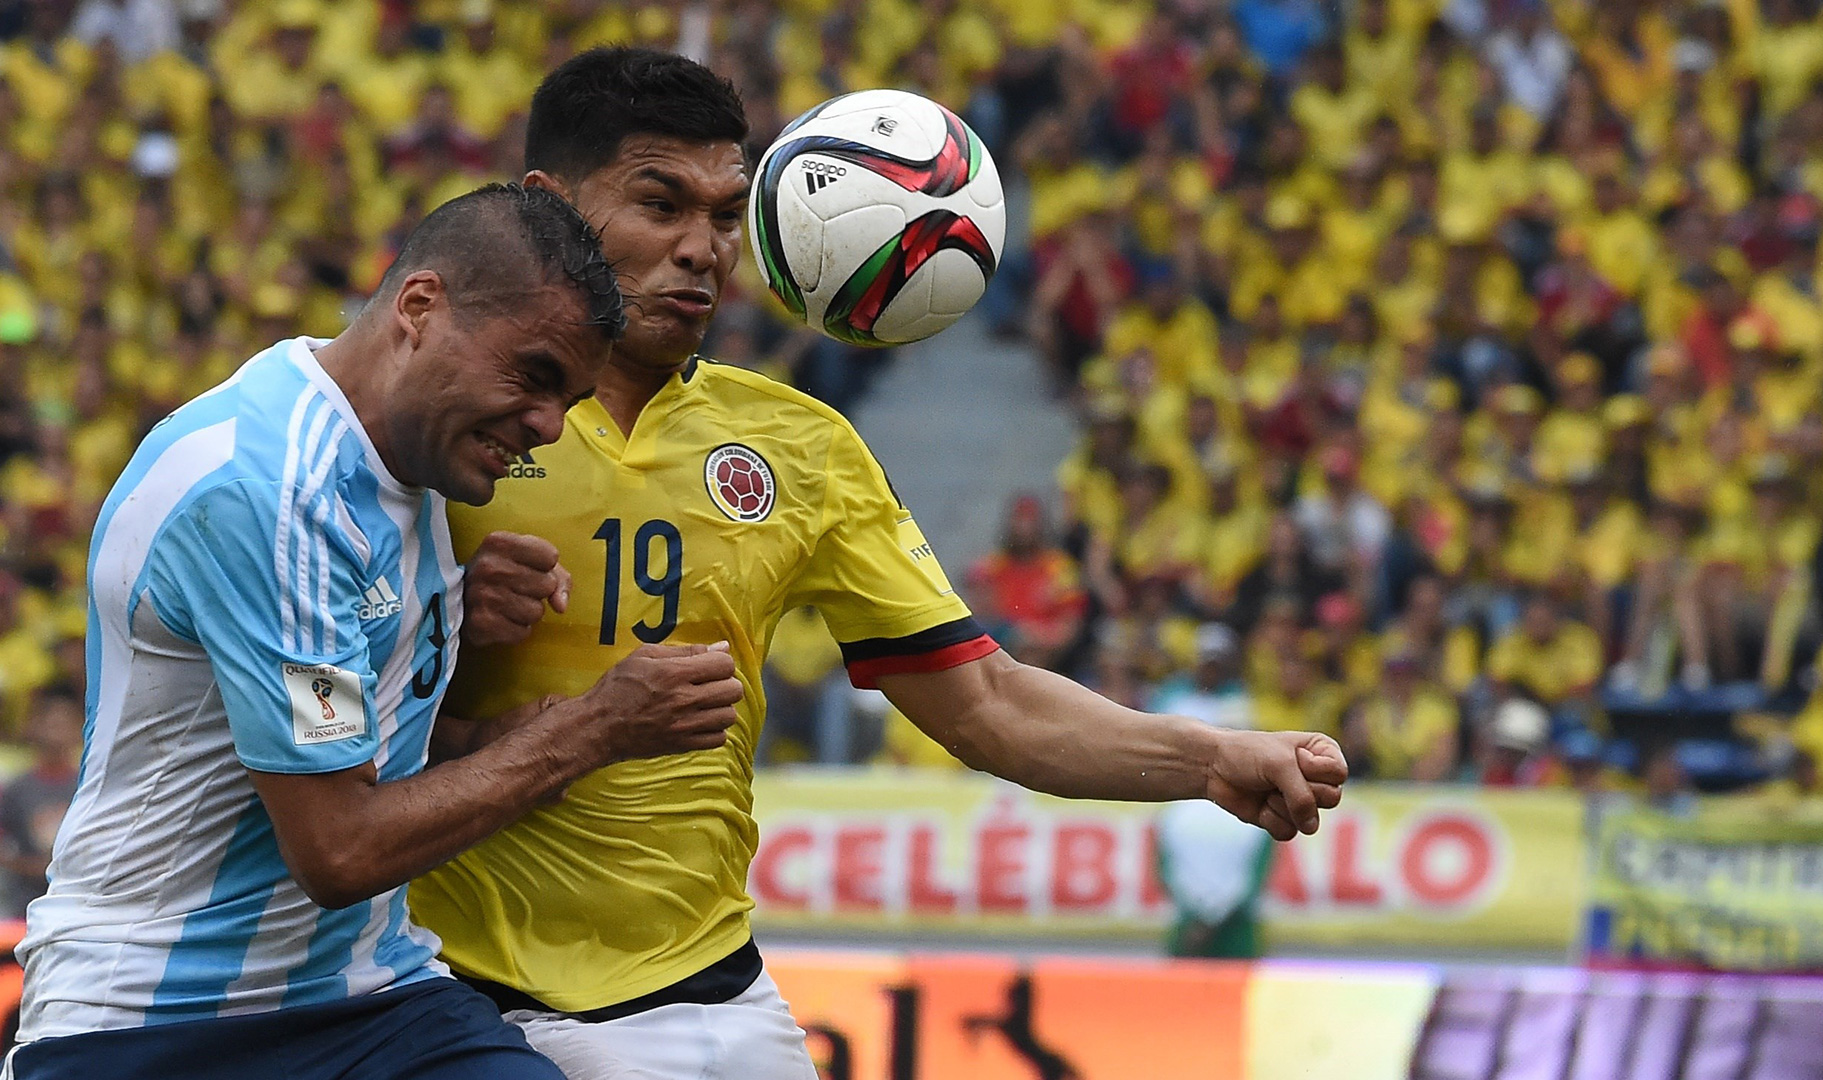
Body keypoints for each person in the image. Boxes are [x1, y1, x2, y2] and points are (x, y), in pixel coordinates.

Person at [411, 48, 1347, 1080]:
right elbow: (302, 719)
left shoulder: (801, 449)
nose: (701, 250)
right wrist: (442, 618)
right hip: (440, 1001)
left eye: (726, 217)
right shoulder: (430, 418)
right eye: (660, 204)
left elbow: (988, 703)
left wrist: (1209, 761)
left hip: (703, 1005)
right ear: (548, 207)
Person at [5, 185, 750, 1080]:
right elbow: (340, 845)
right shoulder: (272, 490)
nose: (550, 426)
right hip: (155, 1025)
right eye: (535, 376)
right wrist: (588, 732)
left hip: (368, 997)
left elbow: (353, 747)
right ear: (420, 309)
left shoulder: (405, 454)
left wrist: (469, 670)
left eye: (571, 397)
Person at [0, 686, 82, 919]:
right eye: (50, 724)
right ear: (34, 727)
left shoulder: (87, 786)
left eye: (64, 724)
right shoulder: (17, 789)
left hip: (76, 906)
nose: (56, 733)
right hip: (24, 908)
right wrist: (34, 866)